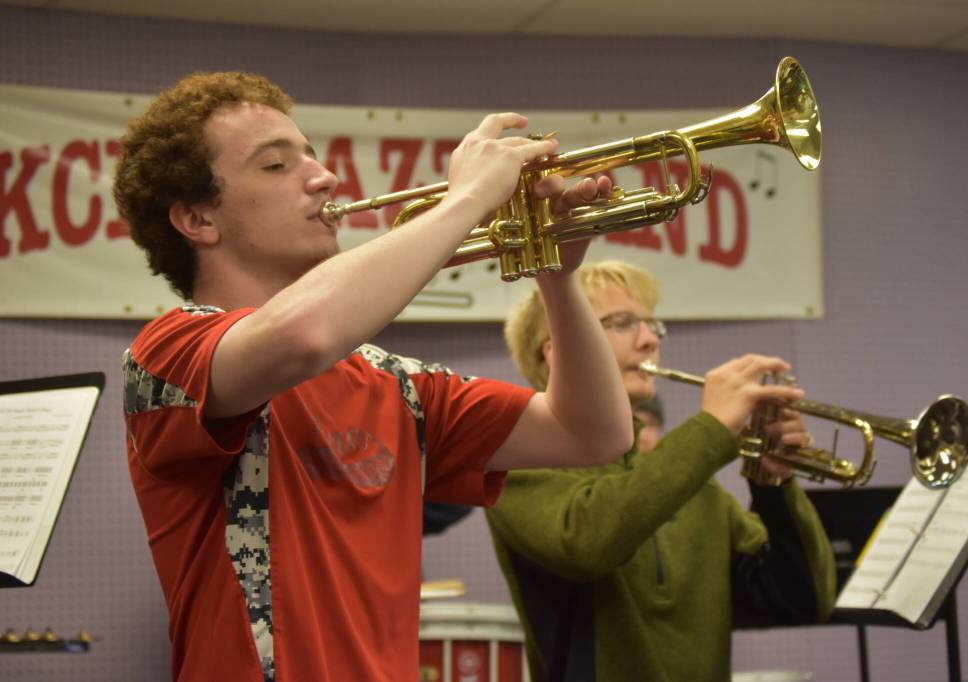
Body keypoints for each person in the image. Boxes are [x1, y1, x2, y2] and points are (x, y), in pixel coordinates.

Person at [113, 71, 634, 681]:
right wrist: (466, 202)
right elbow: (304, 334)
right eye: (276, 166)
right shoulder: (169, 353)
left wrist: (558, 273)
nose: (324, 177)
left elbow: (592, 433)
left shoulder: (394, 384)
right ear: (199, 220)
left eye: (312, 154)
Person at [486, 260, 836, 682]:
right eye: (623, 323)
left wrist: (774, 483)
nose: (650, 339)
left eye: (654, 326)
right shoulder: (517, 466)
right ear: (558, 348)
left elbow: (803, 599)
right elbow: (588, 542)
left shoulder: (693, 487)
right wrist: (710, 430)